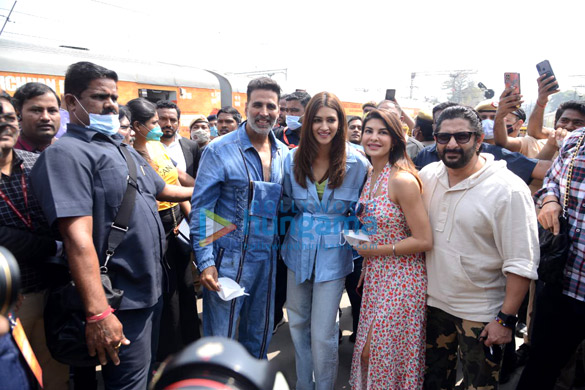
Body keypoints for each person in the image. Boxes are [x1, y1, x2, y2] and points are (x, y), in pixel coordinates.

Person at [30, 61, 193, 390]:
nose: (110, 104)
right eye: (99, 96)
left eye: (114, 97)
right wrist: (98, 313)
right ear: (70, 103)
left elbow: (167, 190)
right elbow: (77, 239)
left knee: (143, 378)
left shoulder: (122, 150)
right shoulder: (67, 155)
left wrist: (215, 186)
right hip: (118, 300)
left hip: (150, 293)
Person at [419, 105, 539, 390]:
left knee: (479, 386)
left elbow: (522, 262)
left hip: (481, 314)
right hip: (431, 306)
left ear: (478, 139)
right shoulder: (426, 176)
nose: (451, 144)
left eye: (461, 136)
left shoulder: (508, 189)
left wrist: (505, 320)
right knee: (432, 383)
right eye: (443, 137)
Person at [190, 77, 289, 359]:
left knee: (258, 334)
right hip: (227, 259)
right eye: (257, 104)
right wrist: (206, 262)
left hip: (267, 259)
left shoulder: (283, 153)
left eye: (271, 106)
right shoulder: (219, 149)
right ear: (245, 107)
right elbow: (202, 209)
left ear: (278, 111)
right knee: (220, 338)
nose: (264, 112)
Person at [281, 91, 369, 390]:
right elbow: (283, 203)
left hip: (334, 252)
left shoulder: (357, 162)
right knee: (297, 323)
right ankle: (304, 383)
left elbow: (365, 212)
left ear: (340, 122)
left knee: (323, 331)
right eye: (317, 120)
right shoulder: (292, 158)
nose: (324, 126)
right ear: (307, 123)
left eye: (330, 120)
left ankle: (324, 386)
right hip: (297, 247)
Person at [349, 109, 432, 389]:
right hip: (376, 275)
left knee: (376, 352)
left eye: (382, 132)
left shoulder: (402, 180)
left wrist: (376, 251)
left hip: (403, 279)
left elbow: (423, 240)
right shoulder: (371, 172)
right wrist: (367, 262)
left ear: (397, 138)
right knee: (376, 355)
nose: (373, 137)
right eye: (369, 131)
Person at [0, 91, 70, 389]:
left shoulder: (36, 163)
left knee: (55, 374)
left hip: (52, 292)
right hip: (11, 301)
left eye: (8, 118)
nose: (4, 125)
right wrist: (54, 247)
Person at [126, 98, 199, 362]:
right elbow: (164, 190)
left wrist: (198, 216)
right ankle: (168, 353)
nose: (162, 127)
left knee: (186, 284)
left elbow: (179, 176)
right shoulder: (128, 153)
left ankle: (191, 342)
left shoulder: (156, 146)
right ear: (137, 126)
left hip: (177, 218)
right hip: (155, 224)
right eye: (155, 122)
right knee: (167, 293)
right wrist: (204, 190)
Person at [517, 125, 585, 389]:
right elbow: (551, 182)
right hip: (564, 279)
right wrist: (550, 200)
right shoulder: (577, 140)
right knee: (541, 368)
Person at [157, 100, 201, 182]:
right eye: (163, 119)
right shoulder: (147, 146)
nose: (168, 124)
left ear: (178, 123)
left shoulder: (191, 146)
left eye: (173, 120)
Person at [12, 82, 60, 153]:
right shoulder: (7, 153)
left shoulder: (68, 151)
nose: (46, 117)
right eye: (37, 110)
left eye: (52, 111)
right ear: (18, 113)